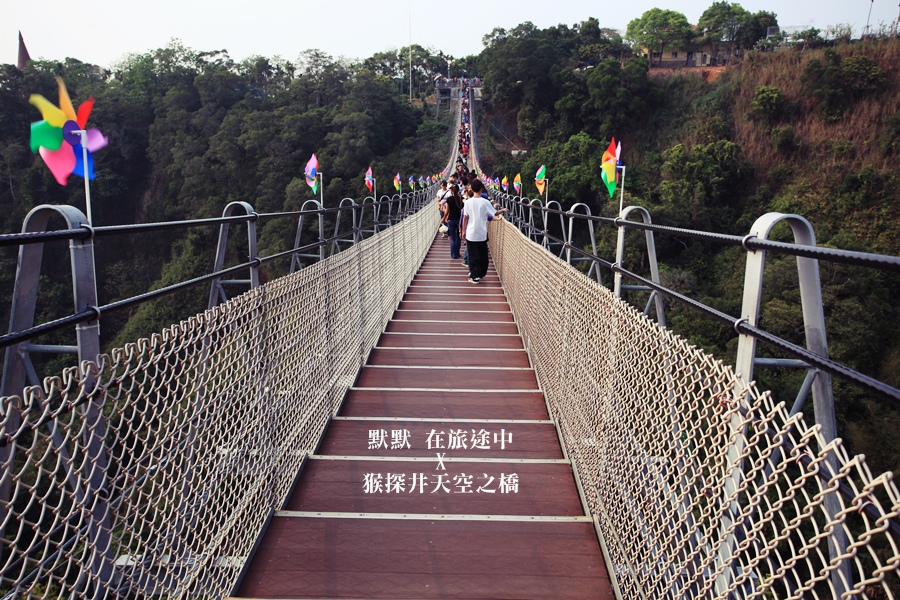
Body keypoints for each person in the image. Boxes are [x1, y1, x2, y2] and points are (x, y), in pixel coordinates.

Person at [460, 179, 497, 284]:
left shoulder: (467, 202)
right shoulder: (485, 202)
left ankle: (474, 275)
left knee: (473, 256)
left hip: (471, 233)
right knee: (483, 255)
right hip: (482, 233)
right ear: (481, 189)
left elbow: (465, 218)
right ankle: (480, 273)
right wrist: (500, 210)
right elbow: (493, 213)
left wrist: (463, 231)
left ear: (471, 189)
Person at [443, 184, 464, 259]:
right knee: (458, 237)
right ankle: (457, 253)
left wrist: (444, 218)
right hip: (459, 220)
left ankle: (453, 255)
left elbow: (447, 211)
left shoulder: (449, 199)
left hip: (451, 220)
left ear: (451, 191)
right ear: (458, 190)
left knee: (452, 238)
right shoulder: (461, 199)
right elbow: (462, 211)